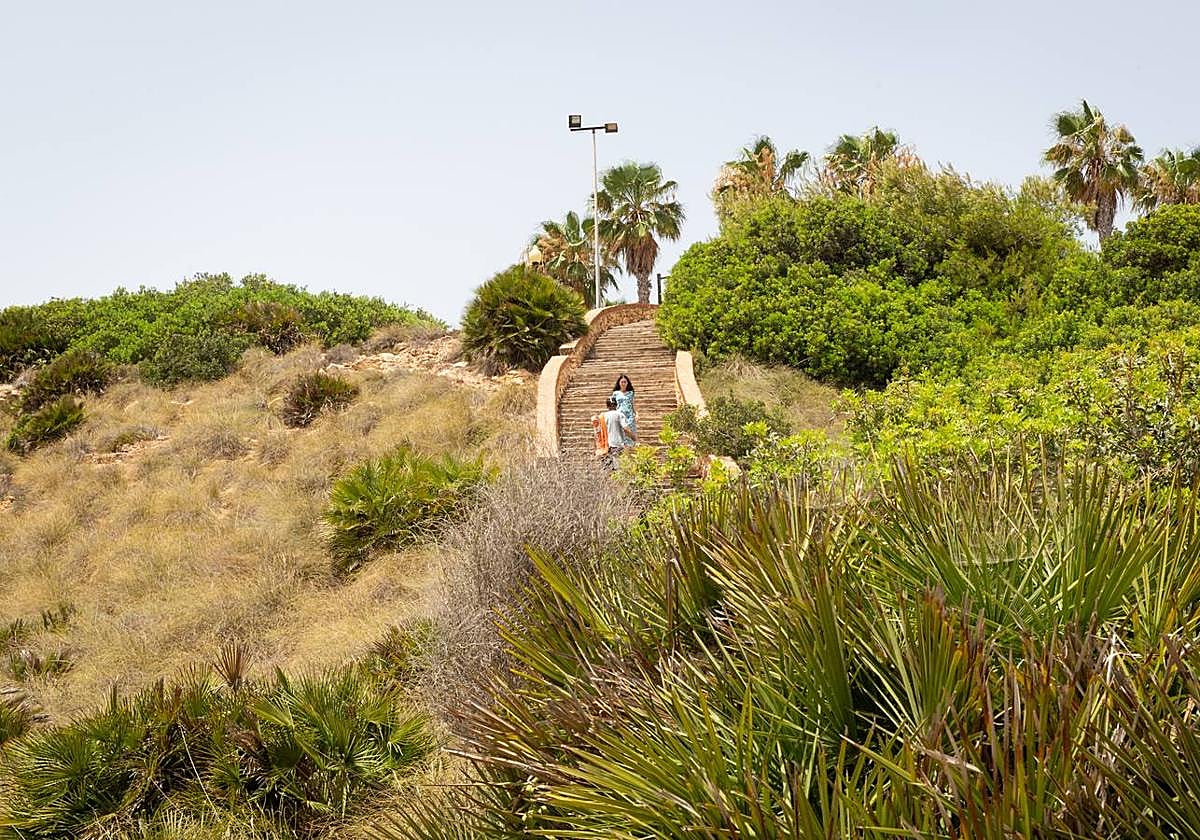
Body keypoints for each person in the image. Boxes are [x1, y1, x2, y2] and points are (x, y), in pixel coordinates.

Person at [594, 396, 635, 468]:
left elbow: (598, 432)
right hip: (617, 445)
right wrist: (634, 437)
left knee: (607, 470)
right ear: (616, 405)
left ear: (607, 406)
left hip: (605, 447)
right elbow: (626, 429)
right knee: (618, 469)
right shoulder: (619, 414)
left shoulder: (602, 417)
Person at [611, 374, 637, 441]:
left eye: (625, 382)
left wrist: (636, 413)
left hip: (629, 416)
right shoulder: (615, 393)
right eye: (622, 382)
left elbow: (633, 404)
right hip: (619, 415)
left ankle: (630, 449)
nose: (623, 383)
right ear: (619, 383)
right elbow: (613, 405)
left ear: (627, 383)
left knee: (630, 433)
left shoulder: (631, 393)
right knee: (621, 432)